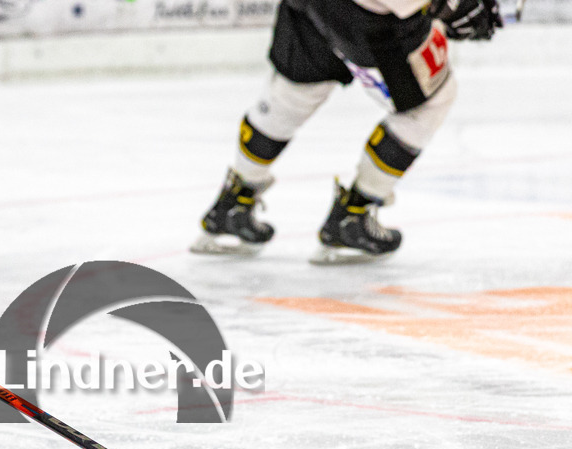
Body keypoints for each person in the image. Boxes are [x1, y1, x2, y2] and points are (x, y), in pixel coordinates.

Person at [192, 0, 503, 264]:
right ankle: (353, 216)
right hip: (367, 14)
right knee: (429, 102)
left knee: (294, 92)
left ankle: (235, 200)